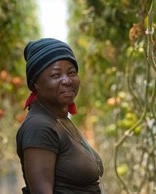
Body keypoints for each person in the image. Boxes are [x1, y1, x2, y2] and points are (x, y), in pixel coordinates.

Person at [16, 38, 104, 194]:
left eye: (72, 73)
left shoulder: (60, 119)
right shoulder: (39, 127)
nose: (67, 80)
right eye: (56, 75)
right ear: (35, 82)